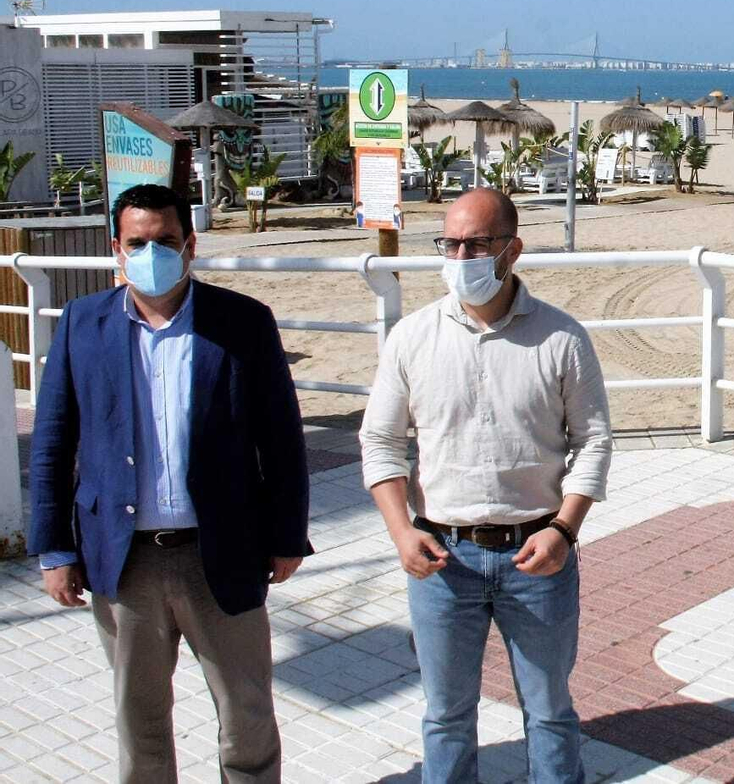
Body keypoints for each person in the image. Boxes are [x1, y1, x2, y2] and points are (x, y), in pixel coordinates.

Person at [28, 182, 311, 784]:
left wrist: (288, 536)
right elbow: (54, 442)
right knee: (141, 721)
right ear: (116, 249)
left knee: (247, 716)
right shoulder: (83, 323)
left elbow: (281, 439)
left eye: (165, 241)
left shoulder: (243, 322)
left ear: (190, 247)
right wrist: (53, 548)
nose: (151, 252)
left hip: (222, 555)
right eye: (138, 242)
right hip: (123, 561)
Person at [360, 187, 612, 784]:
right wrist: (401, 531)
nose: (460, 255)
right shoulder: (412, 338)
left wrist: (563, 529)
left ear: (512, 250)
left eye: (476, 243)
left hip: (540, 557)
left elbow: (594, 440)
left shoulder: (562, 337)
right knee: (446, 717)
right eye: (450, 243)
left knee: (550, 712)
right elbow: (380, 441)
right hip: (442, 561)